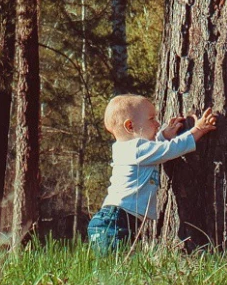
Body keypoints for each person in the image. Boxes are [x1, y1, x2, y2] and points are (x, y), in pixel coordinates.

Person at [87, 94, 217, 254]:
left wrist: (163, 136)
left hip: (116, 219)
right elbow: (171, 150)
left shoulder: (129, 149)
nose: (158, 123)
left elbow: (154, 151)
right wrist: (198, 130)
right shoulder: (135, 149)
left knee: (118, 266)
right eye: (151, 119)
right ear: (130, 126)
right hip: (116, 220)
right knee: (116, 266)